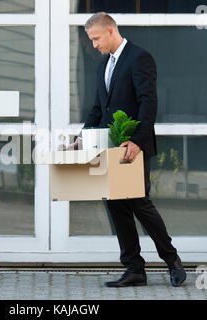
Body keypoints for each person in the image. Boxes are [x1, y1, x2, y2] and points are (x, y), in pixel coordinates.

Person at [67, 12, 186, 287]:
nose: (94, 45)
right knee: (116, 206)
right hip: (109, 148)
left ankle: (172, 261)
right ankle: (134, 269)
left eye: (96, 38)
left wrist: (137, 141)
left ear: (110, 31)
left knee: (140, 204)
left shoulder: (139, 58)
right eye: (90, 40)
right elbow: (99, 109)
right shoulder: (103, 66)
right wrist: (82, 138)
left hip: (133, 148)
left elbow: (148, 103)